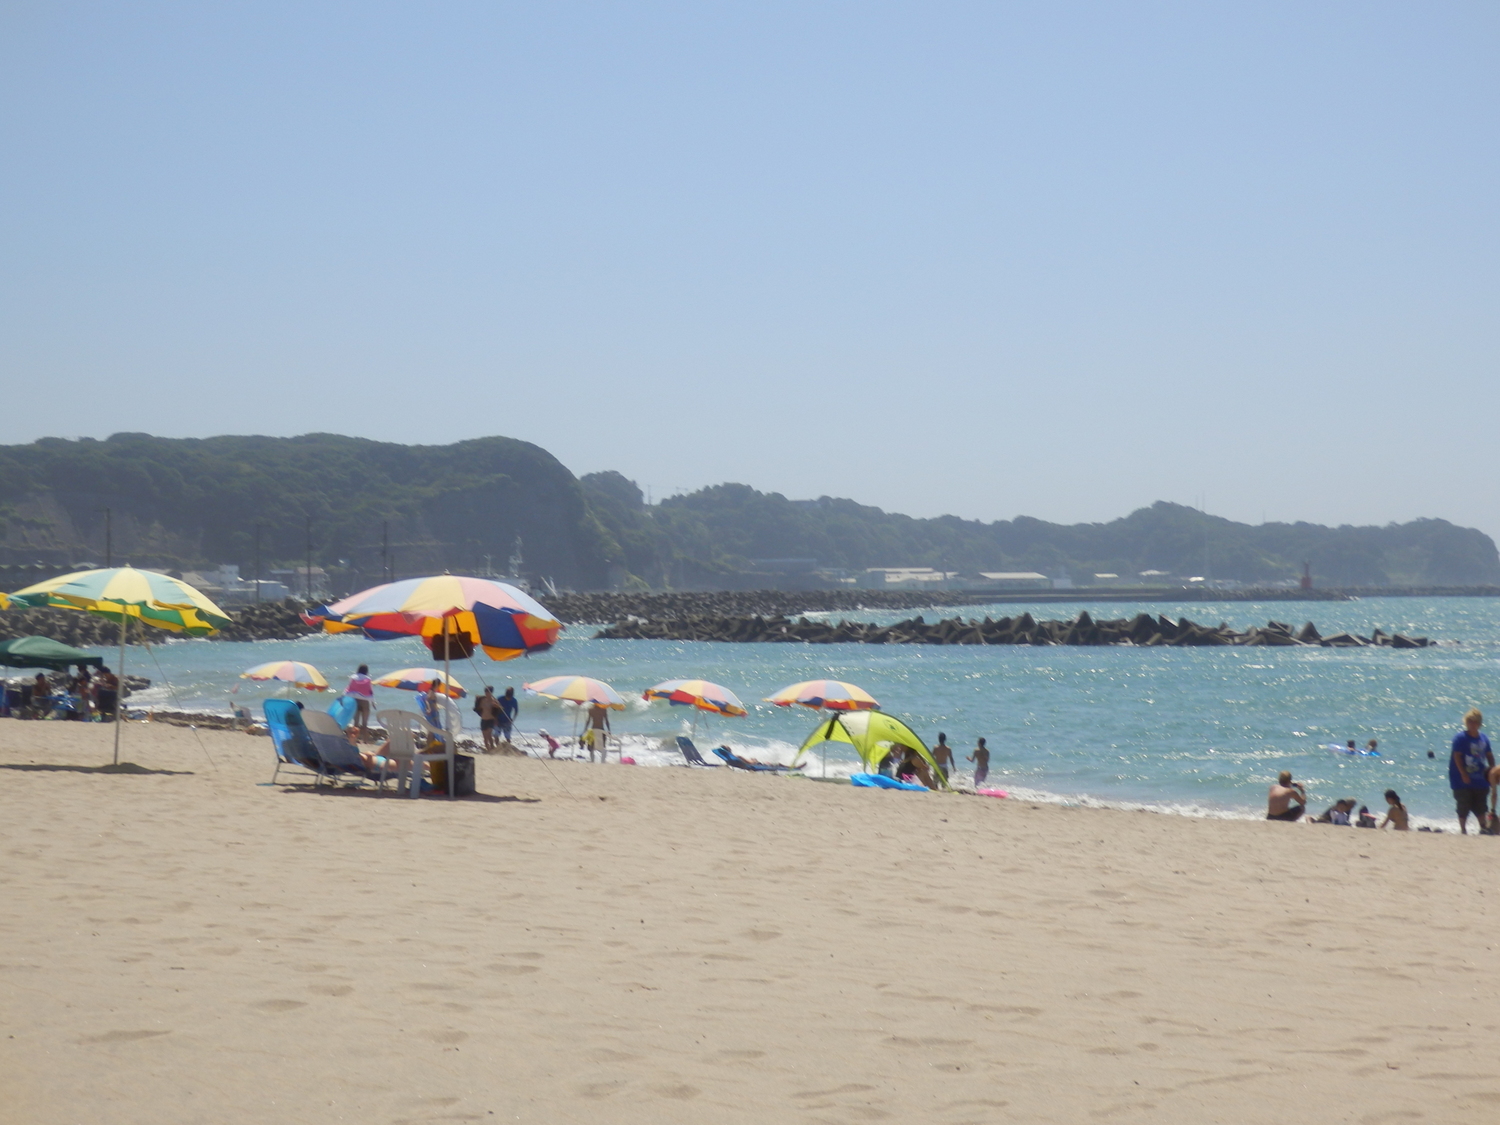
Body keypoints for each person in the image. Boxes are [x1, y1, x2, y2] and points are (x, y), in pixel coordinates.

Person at [1448, 708, 1494, 835]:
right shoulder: (1460, 738)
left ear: (1479, 724)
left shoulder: (1484, 738)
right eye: (1470, 722)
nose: (1472, 725)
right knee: (1463, 803)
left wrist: (1492, 771)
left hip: (1480, 778)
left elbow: (1489, 755)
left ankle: (1483, 827)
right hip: (1462, 779)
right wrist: (1463, 774)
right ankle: (1463, 829)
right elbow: (1457, 756)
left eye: (1475, 722)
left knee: (1481, 804)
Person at [345, 664, 374, 733]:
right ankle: (365, 740)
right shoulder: (368, 679)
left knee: (356, 723)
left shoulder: (353, 677)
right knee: (365, 723)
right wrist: (372, 702)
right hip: (365, 701)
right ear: (366, 671)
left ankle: (355, 739)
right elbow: (370, 691)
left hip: (355, 701)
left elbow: (349, 688)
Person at [474, 687, 503, 753]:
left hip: (490, 720)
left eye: (488, 692)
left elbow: (500, 709)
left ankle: (492, 749)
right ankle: (488, 750)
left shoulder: (494, 701)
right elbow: (477, 706)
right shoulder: (482, 700)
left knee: (489, 735)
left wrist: (497, 706)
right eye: (486, 692)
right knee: (485, 738)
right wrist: (476, 699)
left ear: (491, 693)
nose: (487, 694)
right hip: (483, 720)